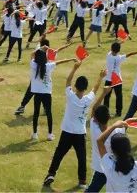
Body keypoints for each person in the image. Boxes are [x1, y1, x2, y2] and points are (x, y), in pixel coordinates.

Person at [43, 60, 97, 188]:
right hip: (79, 133)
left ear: (76, 87)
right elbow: (95, 89)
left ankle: (51, 174)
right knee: (82, 157)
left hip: (67, 131)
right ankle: (82, 181)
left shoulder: (71, 96)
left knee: (59, 154)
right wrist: (100, 77)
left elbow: (67, 82)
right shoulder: (88, 99)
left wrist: (74, 68)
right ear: (85, 88)